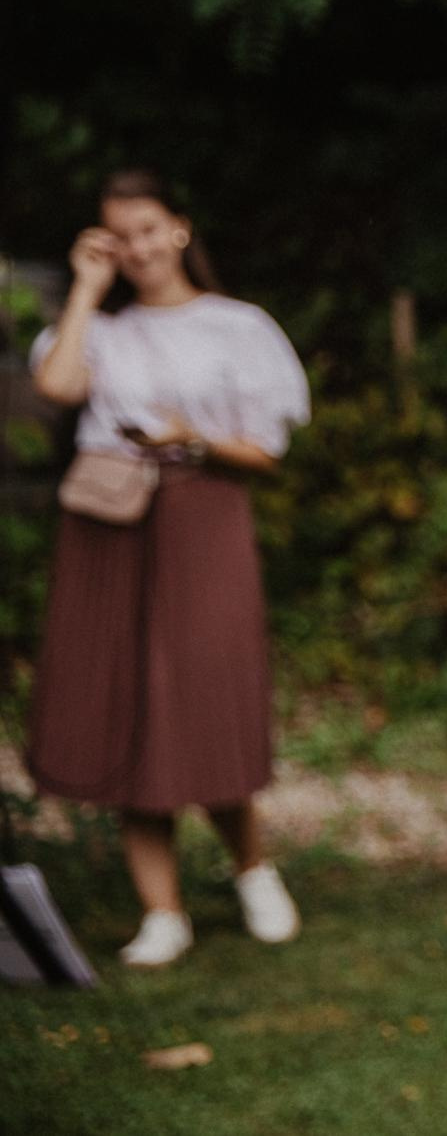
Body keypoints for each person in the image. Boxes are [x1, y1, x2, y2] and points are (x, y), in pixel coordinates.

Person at [26, 169, 310, 968]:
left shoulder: (238, 326)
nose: (138, 248)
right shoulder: (103, 330)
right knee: (120, 704)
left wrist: (192, 437)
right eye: (119, 236)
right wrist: (86, 288)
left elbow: (268, 451)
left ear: (179, 228)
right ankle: (163, 912)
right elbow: (56, 384)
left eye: (149, 228)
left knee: (205, 693)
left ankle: (253, 869)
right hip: (107, 525)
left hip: (203, 516)